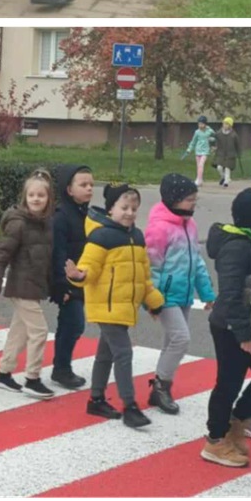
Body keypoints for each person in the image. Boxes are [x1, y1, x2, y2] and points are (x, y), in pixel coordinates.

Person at [68, 182, 164, 428]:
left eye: (134, 208)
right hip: (107, 307)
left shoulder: (137, 236)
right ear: (111, 209)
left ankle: (96, 399)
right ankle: (130, 406)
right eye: (124, 207)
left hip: (123, 307)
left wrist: (153, 303)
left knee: (106, 354)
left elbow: (143, 276)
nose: (130, 213)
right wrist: (78, 275)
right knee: (124, 353)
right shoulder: (101, 236)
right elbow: (89, 267)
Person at [201, 188, 251, 467]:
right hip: (231, 328)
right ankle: (215, 440)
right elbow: (232, 295)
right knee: (229, 383)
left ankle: (238, 421)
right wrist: (244, 335)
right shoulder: (236, 247)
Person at [144, 174, 216, 415]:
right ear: (173, 199)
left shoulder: (189, 225)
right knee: (181, 339)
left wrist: (206, 293)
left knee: (171, 341)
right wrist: (151, 301)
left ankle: (159, 389)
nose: (193, 204)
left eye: (195, 199)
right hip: (165, 296)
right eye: (188, 199)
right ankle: (161, 386)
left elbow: (197, 261)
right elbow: (151, 267)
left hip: (184, 294)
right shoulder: (159, 229)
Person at [0, 170, 56, 399]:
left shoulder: (44, 224)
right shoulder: (18, 224)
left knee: (21, 331)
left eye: (41, 195)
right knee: (39, 331)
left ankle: (4, 373)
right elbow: (1, 255)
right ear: (24, 198)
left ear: (48, 199)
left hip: (34, 286)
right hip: (22, 286)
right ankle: (32, 378)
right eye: (31, 195)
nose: (36, 199)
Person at [49, 163, 92, 389]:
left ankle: (62, 366)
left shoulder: (87, 214)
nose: (89, 189)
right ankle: (61, 369)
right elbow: (58, 253)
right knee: (72, 324)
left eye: (91, 185)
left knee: (74, 325)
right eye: (83, 185)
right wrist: (60, 285)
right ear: (69, 189)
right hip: (67, 282)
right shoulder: (61, 217)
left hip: (83, 278)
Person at [183, 115, 215, 187]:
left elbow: (214, 136)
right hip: (198, 151)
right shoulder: (197, 132)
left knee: (201, 165)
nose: (200, 125)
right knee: (198, 166)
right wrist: (189, 149)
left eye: (202, 124)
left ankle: (198, 179)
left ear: (205, 124)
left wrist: (212, 142)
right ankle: (200, 180)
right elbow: (193, 142)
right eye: (199, 124)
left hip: (205, 151)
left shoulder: (209, 131)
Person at [213, 116, 241, 187]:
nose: (225, 125)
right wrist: (214, 146)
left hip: (230, 154)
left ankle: (226, 181)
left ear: (230, 126)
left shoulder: (233, 135)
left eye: (227, 124)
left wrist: (238, 153)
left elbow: (237, 144)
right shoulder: (219, 133)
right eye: (224, 123)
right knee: (219, 167)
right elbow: (215, 140)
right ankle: (223, 177)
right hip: (221, 153)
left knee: (227, 168)